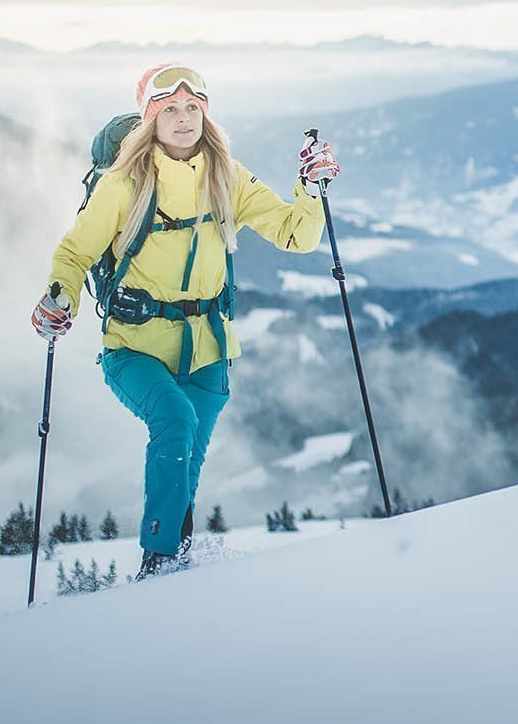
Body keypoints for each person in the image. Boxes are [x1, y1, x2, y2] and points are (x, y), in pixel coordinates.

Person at [31, 63, 341, 578]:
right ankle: (160, 562)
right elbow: (74, 252)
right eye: (170, 109)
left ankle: (176, 566)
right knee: (174, 422)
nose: (182, 119)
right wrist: (58, 300)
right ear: (150, 117)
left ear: (205, 113)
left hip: (209, 347)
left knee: (188, 459)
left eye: (192, 108)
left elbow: (296, 235)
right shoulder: (123, 183)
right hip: (134, 346)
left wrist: (308, 188)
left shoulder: (227, 175)